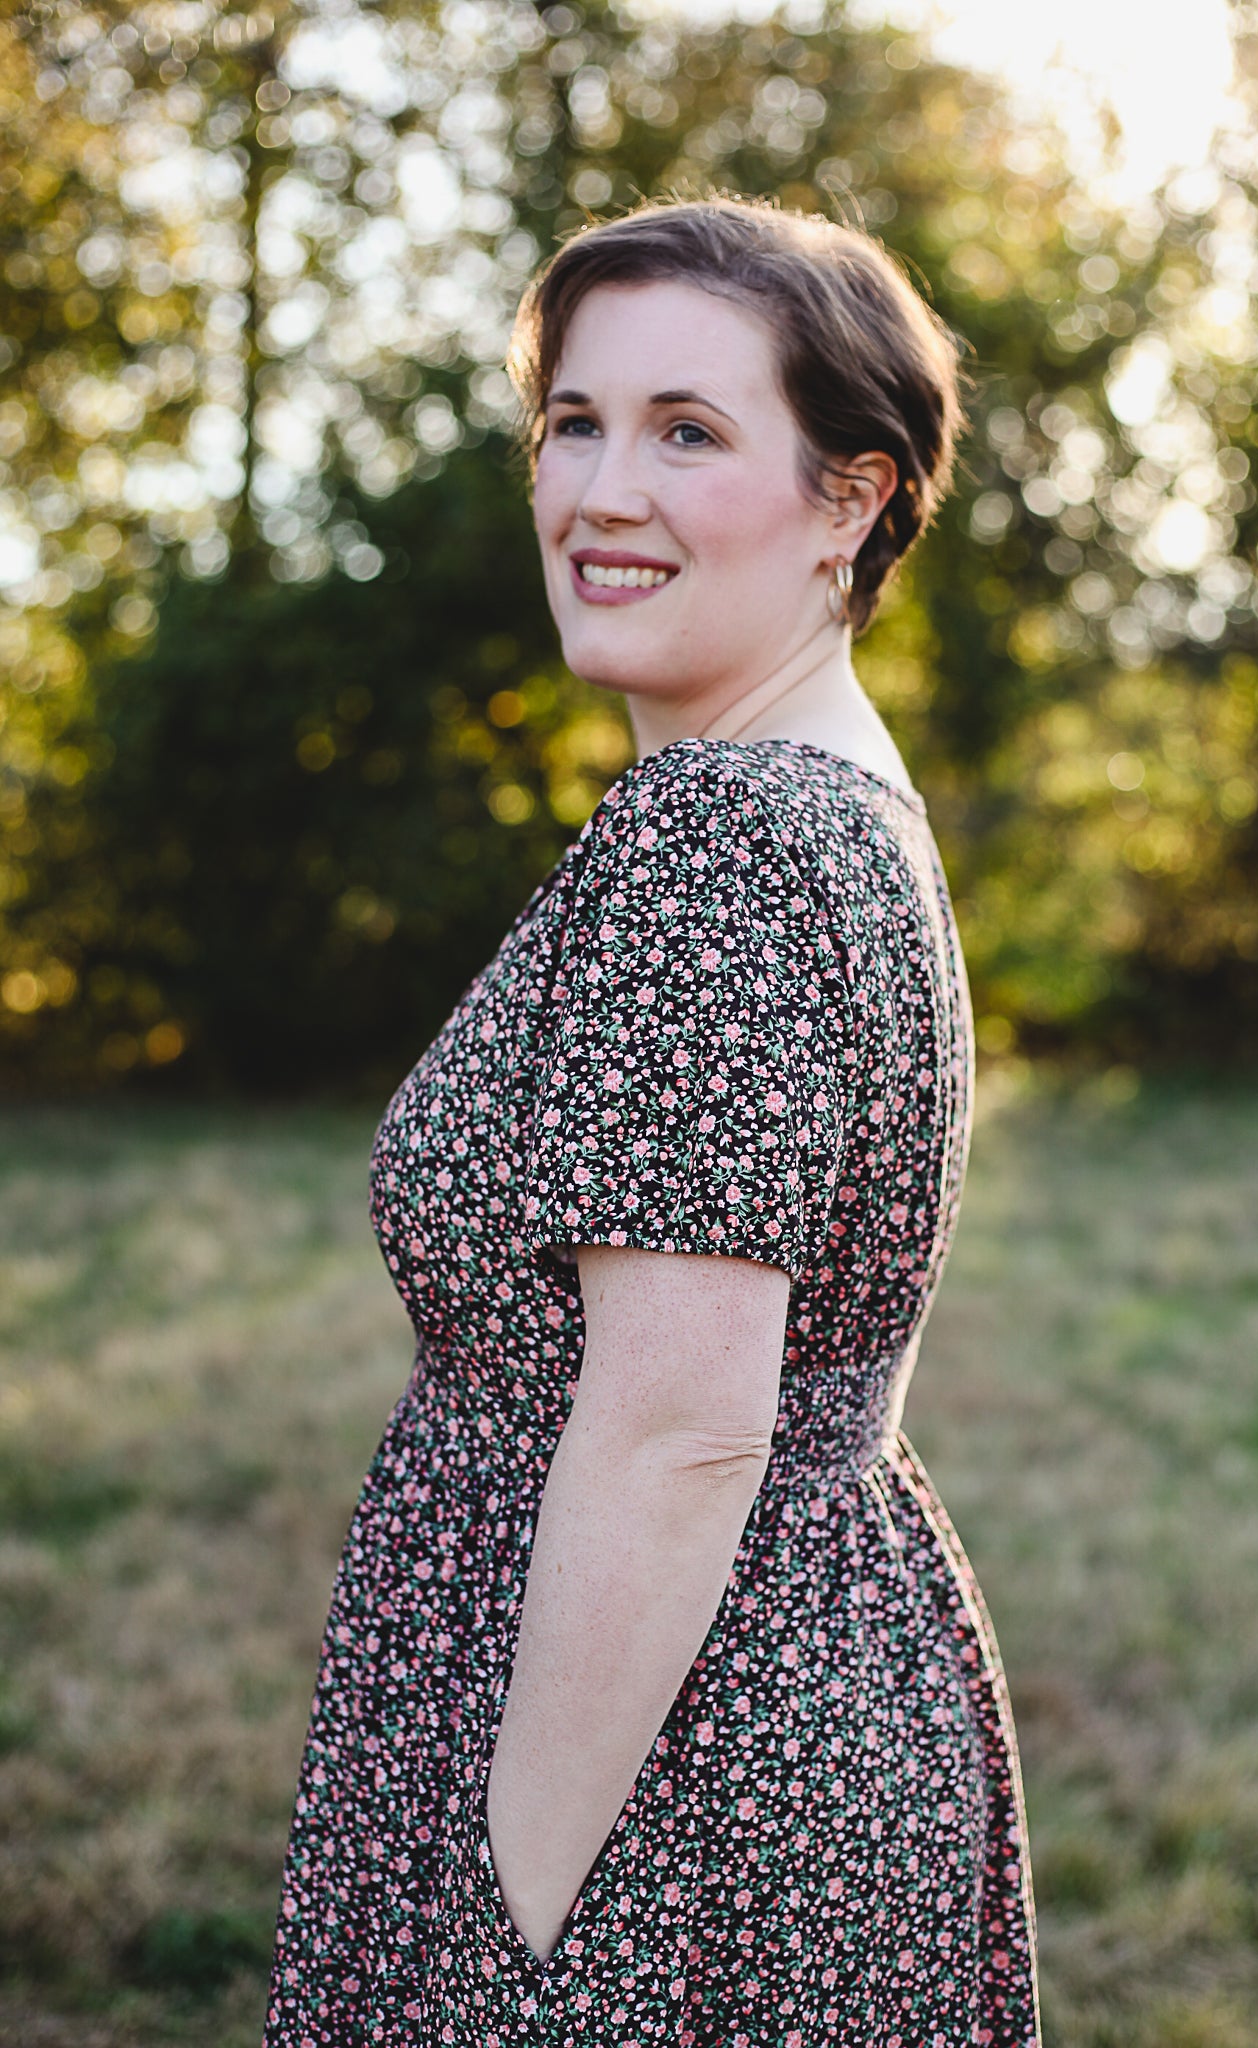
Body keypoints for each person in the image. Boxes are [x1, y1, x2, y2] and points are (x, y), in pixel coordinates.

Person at [262, 192, 1041, 2046]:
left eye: (688, 431)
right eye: (575, 423)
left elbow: (682, 1438)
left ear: (851, 498)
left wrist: (507, 1921)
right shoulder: (839, 796)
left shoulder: (722, 843)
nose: (603, 489)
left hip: (659, 1787)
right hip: (790, 1682)